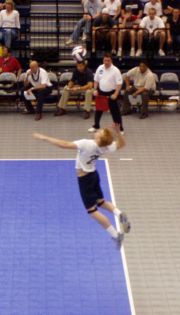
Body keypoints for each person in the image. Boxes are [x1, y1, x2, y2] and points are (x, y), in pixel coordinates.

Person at [33, 124, 131, 248]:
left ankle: (115, 235)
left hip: (85, 179)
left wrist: (44, 138)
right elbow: (121, 145)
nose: (98, 131)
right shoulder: (106, 147)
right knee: (100, 202)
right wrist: (117, 133)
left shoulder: (87, 144)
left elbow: (64, 144)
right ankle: (118, 213)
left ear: (99, 139)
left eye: (99, 132)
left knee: (92, 211)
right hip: (94, 175)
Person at [88, 53, 124, 133]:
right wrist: (95, 89)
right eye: (105, 60)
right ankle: (96, 126)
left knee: (115, 112)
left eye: (108, 60)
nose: (106, 62)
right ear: (103, 60)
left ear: (111, 61)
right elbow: (96, 80)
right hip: (101, 92)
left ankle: (120, 128)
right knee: (98, 110)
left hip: (111, 93)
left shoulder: (116, 70)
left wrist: (115, 94)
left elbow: (119, 83)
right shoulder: (100, 68)